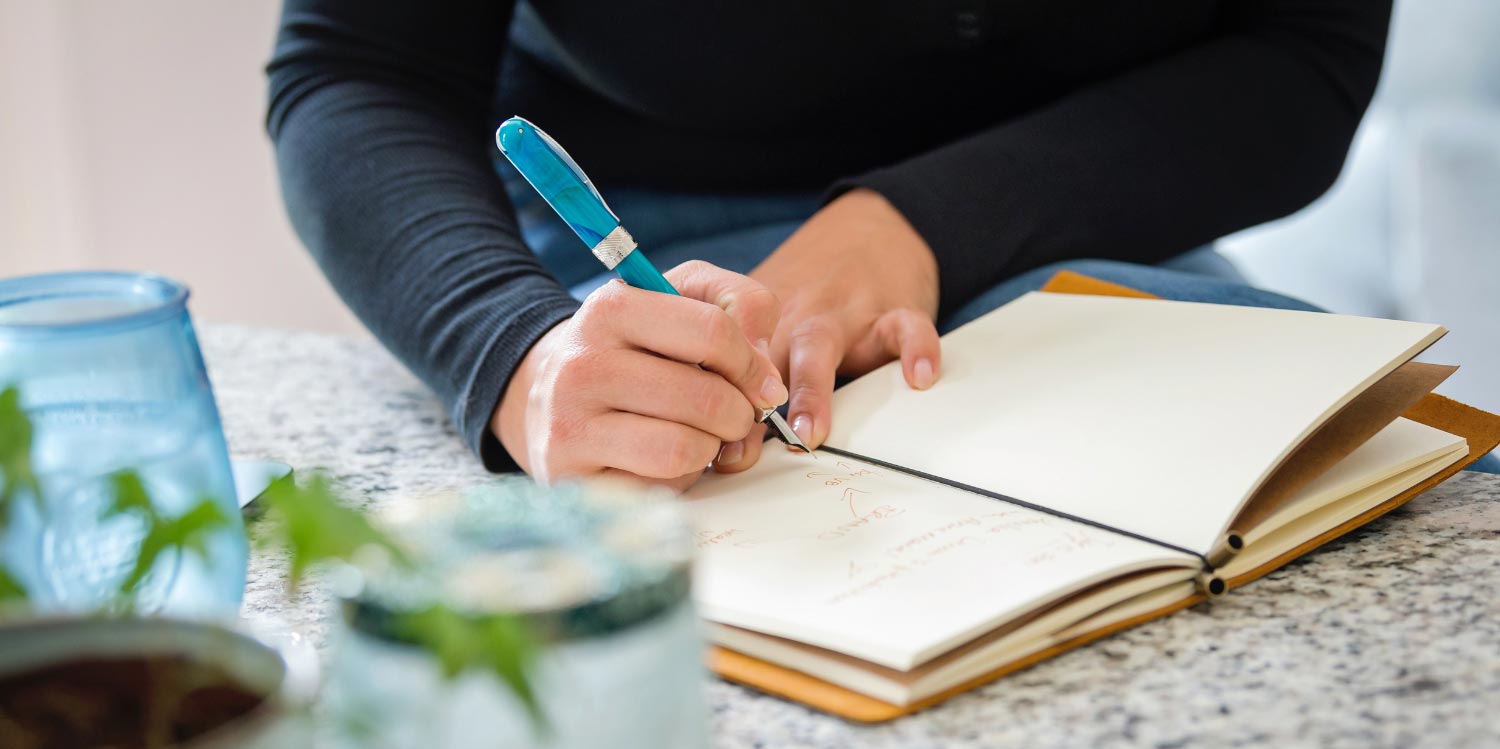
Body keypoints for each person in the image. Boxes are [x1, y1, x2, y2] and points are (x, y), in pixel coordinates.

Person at [267, 0, 1405, 488]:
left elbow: (1301, 58)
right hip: (640, 259)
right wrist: (511, 356)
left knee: (1375, 480)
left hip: (1085, 204)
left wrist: (919, 225)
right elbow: (362, 70)